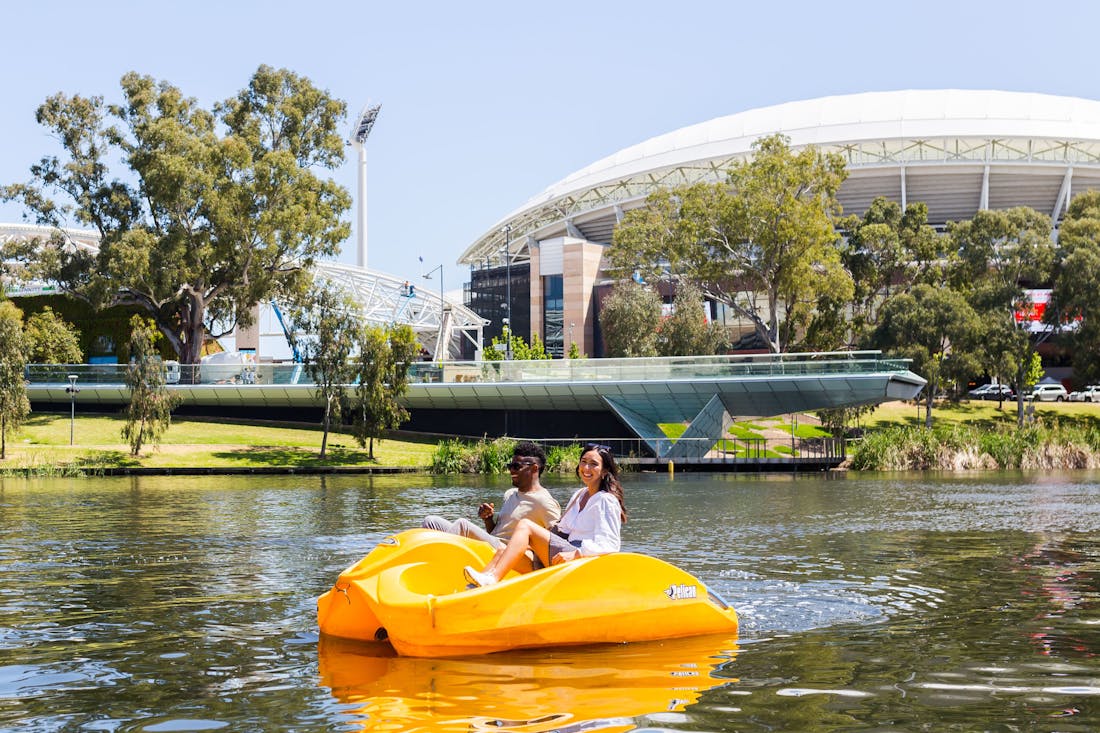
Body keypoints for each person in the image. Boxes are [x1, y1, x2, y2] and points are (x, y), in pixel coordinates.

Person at [463, 443, 626, 587]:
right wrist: (530, 544)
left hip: (582, 561)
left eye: (593, 464)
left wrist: (576, 554)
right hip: (566, 552)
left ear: (604, 471)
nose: (586, 468)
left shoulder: (606, 500)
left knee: (525, 525)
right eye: (584, 462)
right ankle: (472, 591)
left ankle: (492, 579)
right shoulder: (579, 495)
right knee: (502, 550)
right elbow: (561, 530)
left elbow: (610, 544)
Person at [422, 441, 561, 556]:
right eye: (510, 466)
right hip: (493, 544)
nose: (511, 470)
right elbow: (496, 533)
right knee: (431, 522)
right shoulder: (510, 494)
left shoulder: (545, 501)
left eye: (516, 466)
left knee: (462, 525)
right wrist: (488, 519)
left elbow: (557, 542)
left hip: (510, 554)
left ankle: (439, 566)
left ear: (534, 469)